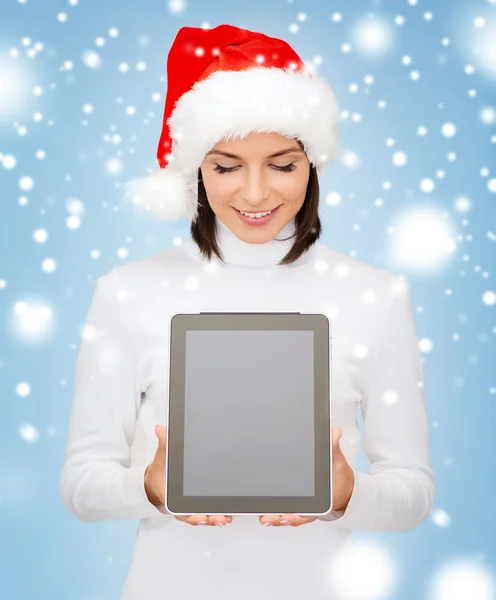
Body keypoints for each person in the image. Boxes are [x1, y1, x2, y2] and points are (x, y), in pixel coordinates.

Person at [59, 24, 436, 600]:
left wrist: (348, 494)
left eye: (282, 165)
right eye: (227, 166)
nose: (256, 195)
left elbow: (413, 490)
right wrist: (150, 487)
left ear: (312, 164)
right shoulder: (129, 292)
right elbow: (81, 484)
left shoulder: (374, 296)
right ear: (195, 169)